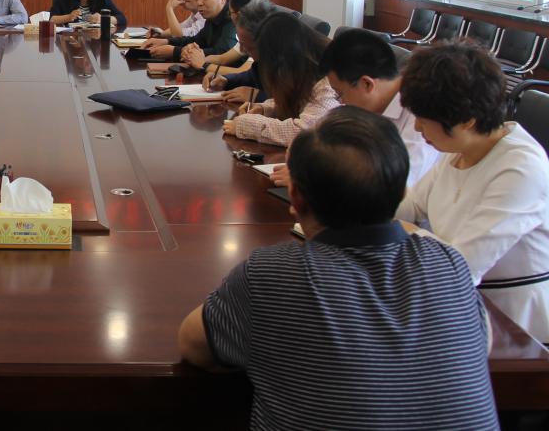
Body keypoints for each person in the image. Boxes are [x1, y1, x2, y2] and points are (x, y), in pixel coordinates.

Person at [179, 107, 498, 430]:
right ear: (401, 192)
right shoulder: (449, 263)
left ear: (295, 196)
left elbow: (194, 346)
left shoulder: (271, 275)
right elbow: (479, 346)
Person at [396, 40, 549, 343]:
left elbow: (464, 265)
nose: (417, 129)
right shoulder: (460, 148)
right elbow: (411, 207)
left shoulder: (521, 169)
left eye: (423, 121)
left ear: (466, 121)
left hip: (515, 326)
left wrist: (405, 231)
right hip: (457, 301)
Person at [320, 28, 439, 185]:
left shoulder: (419, 116)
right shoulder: (374, 107)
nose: (341, 102)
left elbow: (400, 184)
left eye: (340, 93)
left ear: (367, 84)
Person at [223, 12, 338, 146]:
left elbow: (304, 133)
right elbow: (300, 102)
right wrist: (265, 109)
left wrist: (247, 126)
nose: (243, 50)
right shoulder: (301, 70)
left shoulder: (328, 81)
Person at [141, 0, 235, 62]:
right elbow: (195, 40)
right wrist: (167, 42)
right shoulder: (211, 19)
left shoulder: (233, 19)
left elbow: (222, 53)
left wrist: (175, 51)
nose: (199, 3)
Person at [206, 0, 279, 102]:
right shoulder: (265, 59)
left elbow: (297, 101)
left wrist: (257, 96)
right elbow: (250, 76)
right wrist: (226, 80)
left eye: (249, 47)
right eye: (240, 43)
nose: (242, 50)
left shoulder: (292, 61)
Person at [199, 0, 267, 76]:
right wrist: (198, 58)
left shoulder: (266, 34)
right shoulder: (252, 30)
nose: (230, 17)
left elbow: (243, 72)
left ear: (239, 14)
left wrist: (204, 65)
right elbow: (223, 59)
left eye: (230, 13)